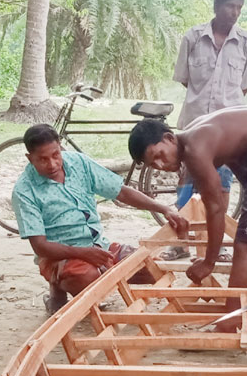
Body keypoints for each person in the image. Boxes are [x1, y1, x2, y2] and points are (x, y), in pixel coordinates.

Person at [128, 107, 247, 331]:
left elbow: (215, 208)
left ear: (169, 138)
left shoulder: (194, 149)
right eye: (153, 164)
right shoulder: (192, 137)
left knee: (246, 242)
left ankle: (229, 323)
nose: (161, 165)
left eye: (159, 155)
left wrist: (208, 263)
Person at [13, 125, 190, 314]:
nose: (52, 164)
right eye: (43, 159)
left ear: (60, 147)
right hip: (61, 257)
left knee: (156, 268)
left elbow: (121, 192)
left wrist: (163, 209)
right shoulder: (24, 191)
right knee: (88, 278)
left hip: (99, 247)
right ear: (30, 158)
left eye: (56, 155)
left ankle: (90, 283)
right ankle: (58, 285)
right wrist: (83, 253)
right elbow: (40, 247)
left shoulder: (78, 163)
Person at [166, 0, 247, 260]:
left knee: (222, 183)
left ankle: (215, 246)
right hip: (193, 125)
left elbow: (243, 87)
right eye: (230, 6)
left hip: (228, 132)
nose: (235, 12)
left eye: (239, 7)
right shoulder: (193, 38)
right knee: (187, 180)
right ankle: (181, 242)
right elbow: (185, 79)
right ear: (217, 7)